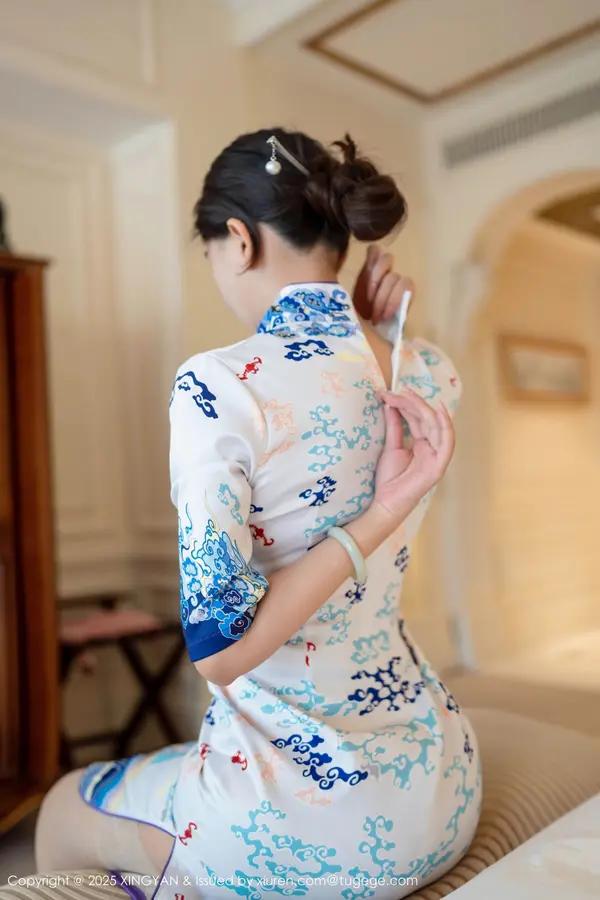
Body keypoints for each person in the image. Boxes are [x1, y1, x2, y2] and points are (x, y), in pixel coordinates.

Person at [35, 128, 481, 898]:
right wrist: (374, 331)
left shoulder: (219, 384)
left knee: (58, 807)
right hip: (440, 793)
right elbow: (369, 381)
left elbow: (221, 648)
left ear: (237, 240)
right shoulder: (430, 370)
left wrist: (374, 517)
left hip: (295, 830)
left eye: (211, 254)